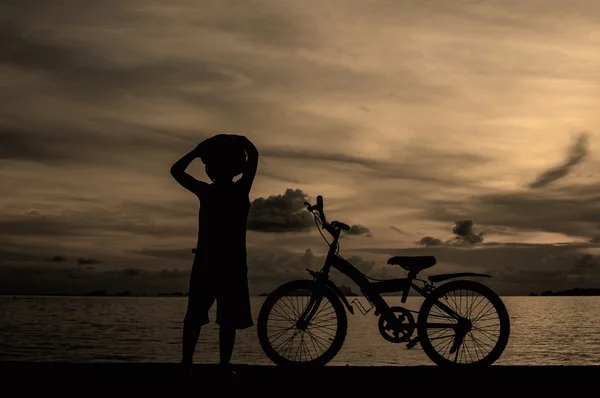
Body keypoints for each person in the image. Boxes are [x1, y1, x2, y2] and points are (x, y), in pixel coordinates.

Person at [169, 134, 259, 376]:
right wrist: (242, 139)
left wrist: (196, 151)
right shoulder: (240, 190)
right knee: (226, 321)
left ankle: (186, 363)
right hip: (231, 263)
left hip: (208, 262)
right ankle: (222, 366)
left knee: (195, 316)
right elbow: (254, 157)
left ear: (211, 169)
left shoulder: (206, 191)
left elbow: (176, 170)